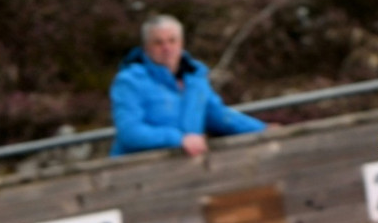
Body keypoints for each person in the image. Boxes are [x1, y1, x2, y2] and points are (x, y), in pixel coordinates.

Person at [109, 14, 267, 157]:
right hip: (137, 170)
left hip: (183, 166)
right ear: (146, 47)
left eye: (172, 40)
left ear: (181, 44)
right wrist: (178, 139)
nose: (166, 48)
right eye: (158, 42)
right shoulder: (129, 81)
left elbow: (219, 115)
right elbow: (129, 132)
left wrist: (261, 129)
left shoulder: (195, 79)